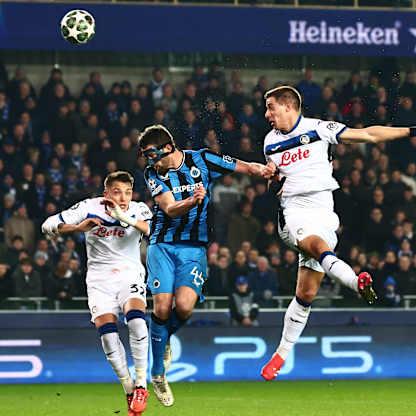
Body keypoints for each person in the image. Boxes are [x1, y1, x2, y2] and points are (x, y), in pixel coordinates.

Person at [260, 85, 413, 381]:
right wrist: (273, 185)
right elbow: (275, 185)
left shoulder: (319, 129)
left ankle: (280, 354)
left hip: (324, 211)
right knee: (316, 246)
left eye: (271, 107)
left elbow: (368, 134)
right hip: (293, 213)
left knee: (306, 293)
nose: (267, 114)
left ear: (289, 107)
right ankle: (357, 283)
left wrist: (410, 131)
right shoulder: (269, 142)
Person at [132, 124, 273, 406]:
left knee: (183, 307)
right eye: (145, 156)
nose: (148, 161)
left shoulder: (203, 159)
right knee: (161, 306)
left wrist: (263, 170)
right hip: (162, 244)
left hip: (194, 248)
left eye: (151, 154)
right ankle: (157, 374)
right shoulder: (153, 174)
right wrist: (192, 200)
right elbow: (170, 208)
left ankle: (164, 337)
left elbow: (241, 166)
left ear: (168, 148)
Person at [41, 171, 152, 416]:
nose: (122, 197)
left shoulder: (139, 209)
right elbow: (47, 225)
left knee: (136, 320)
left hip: (129, 273)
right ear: (106, 193)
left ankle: (142, 384)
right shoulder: (89, 207)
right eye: (117, 192)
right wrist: (78, 227)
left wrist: (123, 217)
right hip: (99, 280)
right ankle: (129, 388)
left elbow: (151, 230)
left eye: (127, 192)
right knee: (108, 337)